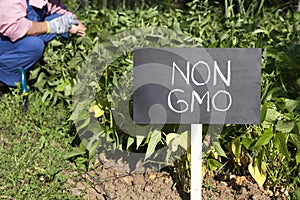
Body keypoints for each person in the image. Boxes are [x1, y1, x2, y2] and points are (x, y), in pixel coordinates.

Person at [0, 0, 87, 87]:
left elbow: (59, 10)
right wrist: (51, 26)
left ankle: (41, 64)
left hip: (20, 35)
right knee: (34, 45)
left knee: (58, 18)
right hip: (5, 38)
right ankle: (4, 77)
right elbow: (13, 27)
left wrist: (84, 32)